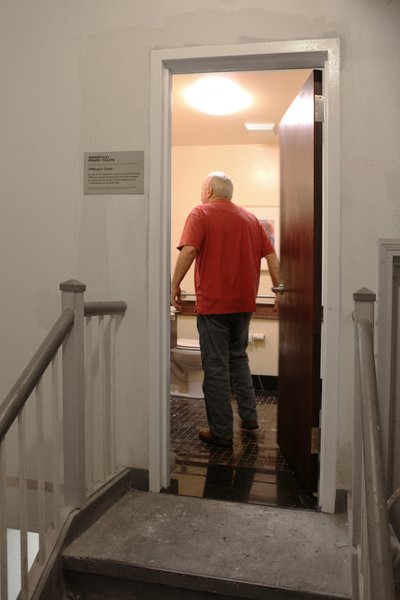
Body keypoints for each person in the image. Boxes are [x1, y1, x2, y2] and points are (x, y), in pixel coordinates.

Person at [171, 171, 280, 448]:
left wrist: (173, 284)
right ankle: (249, 416)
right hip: (243, 304)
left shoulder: (201, 213)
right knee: (239, 358)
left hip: (214, 305)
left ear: (208, 190)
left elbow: (189, 251)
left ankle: (221, 430)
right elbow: (271, 255)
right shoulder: (251, 219)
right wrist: (279, 290)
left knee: (216, 367)